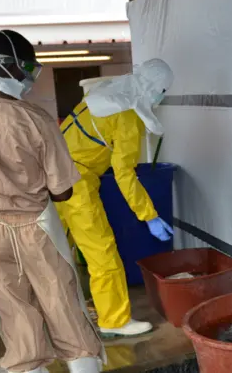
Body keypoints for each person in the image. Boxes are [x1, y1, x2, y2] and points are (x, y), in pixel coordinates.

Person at [0, 30, 104, 373]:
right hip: (37, 229)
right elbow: (62, 191)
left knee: (19, 327)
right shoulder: (35, 118)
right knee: (68, 318)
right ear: (16, 68)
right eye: (29, 70)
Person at [56, 58, 174, 337]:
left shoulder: (106, 92)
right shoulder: (127, 116)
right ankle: (114, 320)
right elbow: (124, 174)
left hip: (53, 174)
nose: (160, 97)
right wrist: (150, 215)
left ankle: (51, 317)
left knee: (55, 250)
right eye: (162, 92)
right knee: (102, 253)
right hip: (76, 183)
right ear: (154, 89)